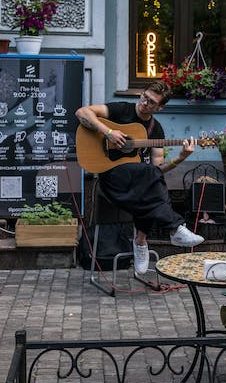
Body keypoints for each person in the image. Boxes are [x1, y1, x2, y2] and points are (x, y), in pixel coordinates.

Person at [75, 80, 204, 275]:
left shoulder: (155, 129)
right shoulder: (121, 110)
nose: (145, 103)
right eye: (145, 97)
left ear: (159, 108)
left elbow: (157, 169)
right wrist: (108, 132)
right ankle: (168, 231)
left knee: (150, 176)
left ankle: (144, 241)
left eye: (152, 103)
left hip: (137, 184)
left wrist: (180, 158)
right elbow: (82, 112)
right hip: (111, 178)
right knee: (150, 181)